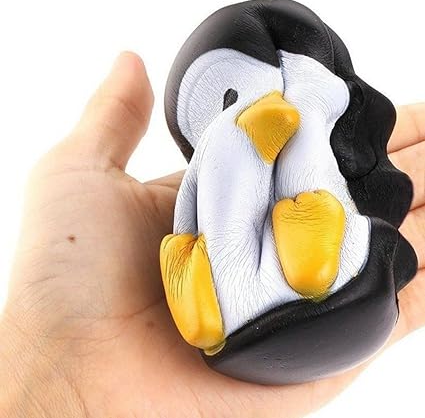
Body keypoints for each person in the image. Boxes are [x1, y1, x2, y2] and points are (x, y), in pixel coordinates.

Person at [0, 51, 423, 418]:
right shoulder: (256, 125)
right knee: (299, 172)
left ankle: (222, 306)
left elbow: (190, 208)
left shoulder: (227, 138)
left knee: (287, 183)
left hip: (232, 332)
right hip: (315, 294)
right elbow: (301, 161)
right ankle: (305, 268)